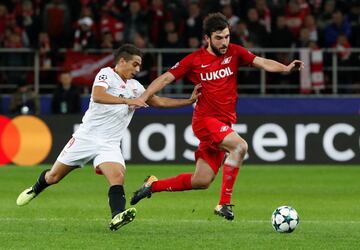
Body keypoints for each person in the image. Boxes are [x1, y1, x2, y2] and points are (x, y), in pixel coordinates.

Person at [130, 13, 304, 221]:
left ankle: (152, 185)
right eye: (219, 38)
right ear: (207, 38)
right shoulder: (195, 60)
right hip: (205, 121)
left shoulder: (235, 52)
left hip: (223, 123)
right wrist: (144, 96)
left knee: (201, 181)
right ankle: (224, 203)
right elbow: (166, 78)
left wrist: (284, 68)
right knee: (240, 146)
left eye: (227, 36)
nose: (224, 42)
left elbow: (262, 62)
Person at [16, 44, 201, 231]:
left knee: (117, 176)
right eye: (135, 64)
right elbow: (97, 95)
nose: (138, 70)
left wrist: (188, 101)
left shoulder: (136, 87)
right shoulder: (106, 74)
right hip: (86, 138)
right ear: (122, 61)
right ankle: (36, 188)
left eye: (139, 66)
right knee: (54, 177)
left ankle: (117, 216)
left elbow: (159, 101)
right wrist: (128, 101)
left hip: (109, 143)